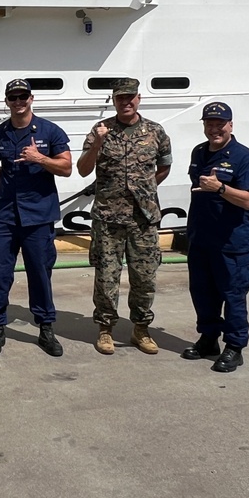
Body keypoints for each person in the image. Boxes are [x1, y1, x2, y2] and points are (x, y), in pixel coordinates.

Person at [76, 78, 172, 356]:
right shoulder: (100, 130)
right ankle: (105, 329)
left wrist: (145, 190)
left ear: (139, 99)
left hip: (144, 219)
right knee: (107, 277)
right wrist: (98, 144)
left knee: (144, 277)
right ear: (114, 100)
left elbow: (164, 166)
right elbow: (83, 170)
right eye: (120, 98)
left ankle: (141, 329)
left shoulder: (155, 131)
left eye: (130, 97)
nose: (126, 102)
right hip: (108, 219)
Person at [0, 79, 73, 357]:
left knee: (40, 273)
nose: (18, 101)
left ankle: (46, 328)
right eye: (13, 97)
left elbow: (67, 168)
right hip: (6, 215)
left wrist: (39, 159)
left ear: (31, 99)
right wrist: (8, 187)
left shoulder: (50, 131)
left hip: (38, 215)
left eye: (23, 96)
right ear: (7, 101)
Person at [182, 102, 249, 373]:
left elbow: (248, 200)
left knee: (233, 294)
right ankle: (208, 339)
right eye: (209, 123)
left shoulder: (243, 157)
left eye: (220, 124)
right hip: (201, 238)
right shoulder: (199, 152)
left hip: (231, 242)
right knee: (202, 293)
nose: (214, 129)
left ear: (231, 125)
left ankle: (235, 347)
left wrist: (220, 188)